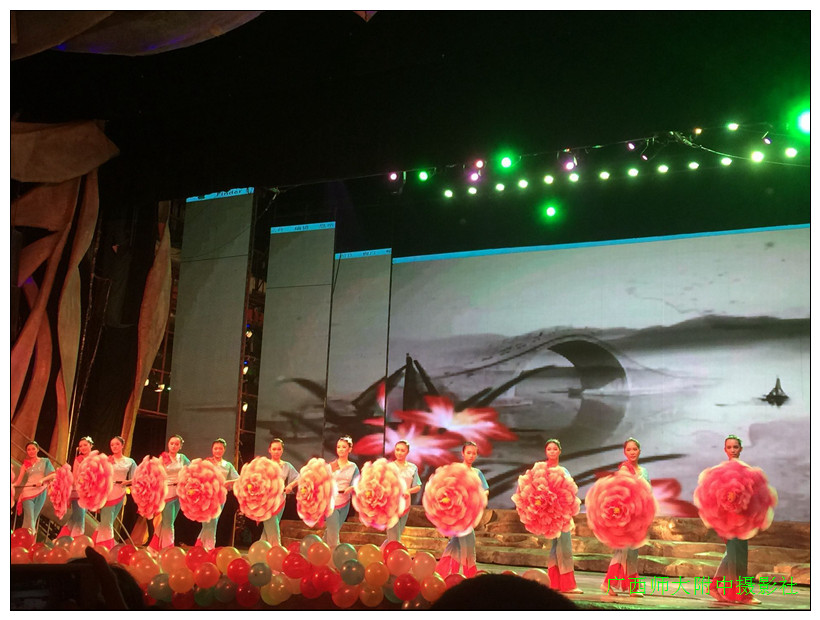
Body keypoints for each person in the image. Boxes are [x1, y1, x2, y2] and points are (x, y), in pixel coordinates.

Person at [708, 435, 762, 605]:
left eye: (735, 447)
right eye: (729, 447)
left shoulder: (746, 470)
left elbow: (752, 494)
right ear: (725, 450)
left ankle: (715, 586)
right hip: (729, 518)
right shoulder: (722, 471)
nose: (732, 450)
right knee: (737, 554)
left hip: (742, 517)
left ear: (741, 449)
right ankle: (741, 594)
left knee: (734, 553)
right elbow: (715, 495)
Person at [601, 437, 649, 597]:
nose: (632, 452)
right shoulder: (624, 470)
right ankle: (622, 586)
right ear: (624, 452)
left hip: (638, 516)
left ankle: (613, 585)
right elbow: (619, 492)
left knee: (630, 552)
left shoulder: (644, 472)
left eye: (635, 449)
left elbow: (648, 493)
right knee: (624, 551)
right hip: (625, 515)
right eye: (629, 449)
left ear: (639, 451)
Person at [436, 441, 489, 578]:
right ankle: (469, 575)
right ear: (463, 453)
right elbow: (447, 489)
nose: (471, 456)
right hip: (457, 512)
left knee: (455, 544)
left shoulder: (477, 473)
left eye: (474, 453)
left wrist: (480, 498)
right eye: (468, 453)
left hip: (470, 512)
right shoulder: (456, 471)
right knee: (468, 544)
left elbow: (485, 490)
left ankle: (442, 573)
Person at [542, 439, 583, 594]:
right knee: (561, 546)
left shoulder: (564, 470)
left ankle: (555, 583)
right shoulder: (542, 470)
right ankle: (567, 585)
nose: (552, 451)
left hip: (563, 512)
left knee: (559, 547)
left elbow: (570, 491)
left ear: (560, 451)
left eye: (555, 449)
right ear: (546, 452)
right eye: (549, 449)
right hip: (550, 514)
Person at [196, 438, 239, 550]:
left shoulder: (228, 465)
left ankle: (208, 547)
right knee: (206, 522)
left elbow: (238, 479)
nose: (218, 451)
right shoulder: (207, 463)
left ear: (224, 450)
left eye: (220, 448)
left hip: (220, 497)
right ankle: (203, 546)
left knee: (213, 521)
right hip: (206, 496)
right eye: (215, 448)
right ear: (212, 449)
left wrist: (228, 482)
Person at [94, 436, 137, 550]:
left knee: (108, 522)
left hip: (121, 492)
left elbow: (136, 477)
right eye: (112, 445)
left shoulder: (130, 461)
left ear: (122, 445)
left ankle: (97, 545)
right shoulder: (106, 460)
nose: (114, 447)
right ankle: (107, 548)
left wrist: (127, 482)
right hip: (108, 492)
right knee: (107, 522)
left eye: (117, 444)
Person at [149, 434, 190, 549]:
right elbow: (156, 474)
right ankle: (168, 548)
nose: (174, 446)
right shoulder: (163, 458)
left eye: (176, 444)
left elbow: (191, 469)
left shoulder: (182, 458)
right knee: (168, 523)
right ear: (168, 444)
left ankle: (154, 547)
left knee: (167, 522)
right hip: (167, 492)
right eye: (171, 443)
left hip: (178, 492)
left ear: (180, 446)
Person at [260, 438, 299, 546]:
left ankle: (261, 550)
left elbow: (298, 477)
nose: (276, 451)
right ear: (269, 450)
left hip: (281, 500)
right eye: (274, 449)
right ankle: (276, 549)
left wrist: (290, 485)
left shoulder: (287, 466)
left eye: (279, 449)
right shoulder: (264, 465)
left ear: (282, 450)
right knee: (273, 527)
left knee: (269, 529)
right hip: (267, 501)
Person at [56, 436, 94, 538]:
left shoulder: (96, 459)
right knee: (80, 518)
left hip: (89, 493)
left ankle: (62, 538)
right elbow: (75, 476)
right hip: (78, 491)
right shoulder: (79, 459)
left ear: (91, 445)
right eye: (80, 446)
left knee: (75, 517)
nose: (83, 447)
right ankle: (77, 540)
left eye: (85, 445)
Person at [325, 435, 360, 549]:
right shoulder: (331, 466)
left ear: (349, 449)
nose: (340, 449)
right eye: (338, 447)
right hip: (332, 502)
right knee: (333, 535)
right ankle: (334, 556)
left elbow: (357, 482)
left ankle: (319, 550)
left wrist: (351, 488)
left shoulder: (353, 467)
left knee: (332, 531)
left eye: (344, 447)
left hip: (345, 502)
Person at [14, 441, 55, 533]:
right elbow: (18, 481)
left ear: (38, 449)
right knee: (30, 518)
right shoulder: (25, 465)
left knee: (32, 519)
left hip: (41, 491)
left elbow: (53, 475)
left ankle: (25, 538)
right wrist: (12, 485)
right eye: (28, 450)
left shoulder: (45, 461)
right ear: (26, 452)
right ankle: (31, 537)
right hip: (27, 493)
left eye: (33, 449)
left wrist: (42, 480)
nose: (31, 451)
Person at [385, 439, 422, 542]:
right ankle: (392, 551)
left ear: (407, 452)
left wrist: (408, 491)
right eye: (397, 450)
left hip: (405, 504)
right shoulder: (389, 467)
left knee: (397, 535)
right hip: (391, 504)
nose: (399, 453)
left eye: (402, 450)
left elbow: (418, 486)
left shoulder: (412, 468)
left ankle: (385, 550)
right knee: (393, 536)